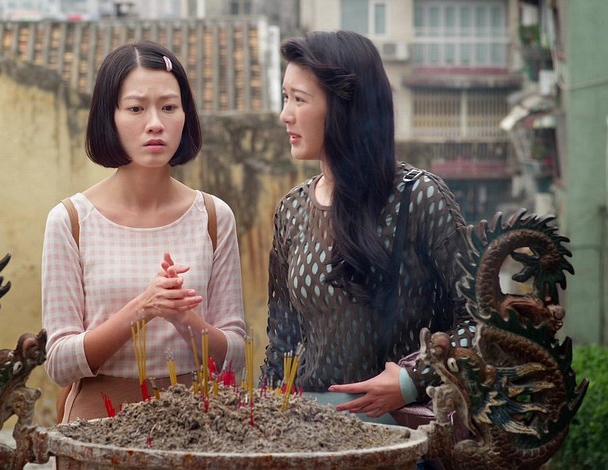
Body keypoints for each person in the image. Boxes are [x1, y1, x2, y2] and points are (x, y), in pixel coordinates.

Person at [261, 30, 475, 425]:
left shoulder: (419, 197)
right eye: (285, 97)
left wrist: (412, 379)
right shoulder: (292, 210)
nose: (285, 115)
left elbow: (479, 322)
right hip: (311, 429)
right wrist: (262, 421)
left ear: (344, 108)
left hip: (402, 429)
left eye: (299, 99)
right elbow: (282, 344)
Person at [42, 41, 246, 424]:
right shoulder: (71, 220)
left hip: (197, 426)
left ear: (186, 116)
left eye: (169, 107)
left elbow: (236, 356)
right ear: (110, 117)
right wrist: (143, 308)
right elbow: (59, 362)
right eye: (136, 109)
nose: (155, 123)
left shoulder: (213, 217)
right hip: (97, 427)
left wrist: (184, 319)